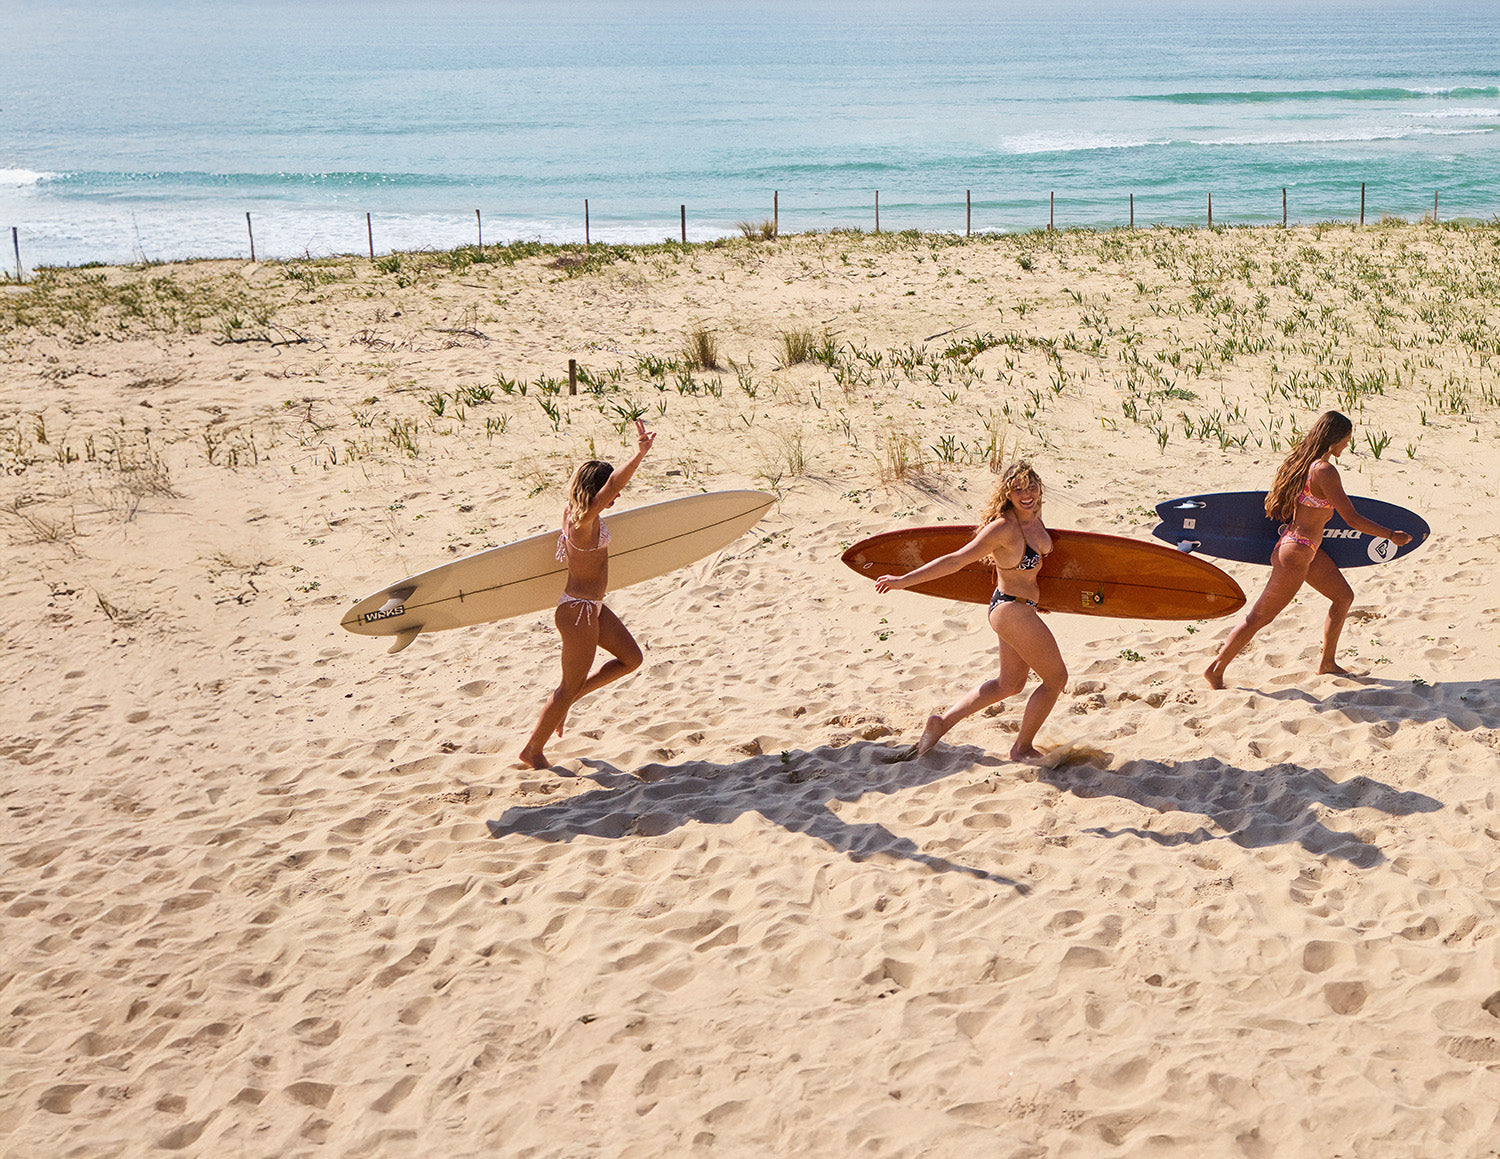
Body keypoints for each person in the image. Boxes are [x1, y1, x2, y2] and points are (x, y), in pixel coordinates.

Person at [1204, 410, 1412, 689]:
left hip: (1304, 549)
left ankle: (1327, 663)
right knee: (1259, 618)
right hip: (1297, 553)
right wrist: (1390, 535)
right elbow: (1351, 519)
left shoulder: (1305, 464)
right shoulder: (1324, 471)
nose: (1347, 446)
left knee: (1343, 597)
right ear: (1334, 439)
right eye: (1347, 440)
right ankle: (1215, 669)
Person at [875, 460, 1066, 762]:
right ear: (1007, 493)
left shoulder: (1035, 518)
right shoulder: (1003, 528)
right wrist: (903, 581)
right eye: (1018, 489)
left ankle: (942, 723)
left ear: (1039, 489)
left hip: (1021, 607)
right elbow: (955, 560)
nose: (1026, 493)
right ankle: (1022, 748)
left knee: (1010, 684)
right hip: (1011, 610)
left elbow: (1039, 572)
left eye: (1031, 486)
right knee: (1056, 680)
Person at [520, 420, 655, 769]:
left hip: (590, 608)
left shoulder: (573, 514)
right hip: (578, 613)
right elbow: (614, 485)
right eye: (609, 494)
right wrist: (639, 454)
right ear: (596, 493)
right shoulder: (583, 521)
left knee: (631, 659)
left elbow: (607, 488)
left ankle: (569, 701)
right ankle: (533, 750)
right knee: (566, 686)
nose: (617, 497)